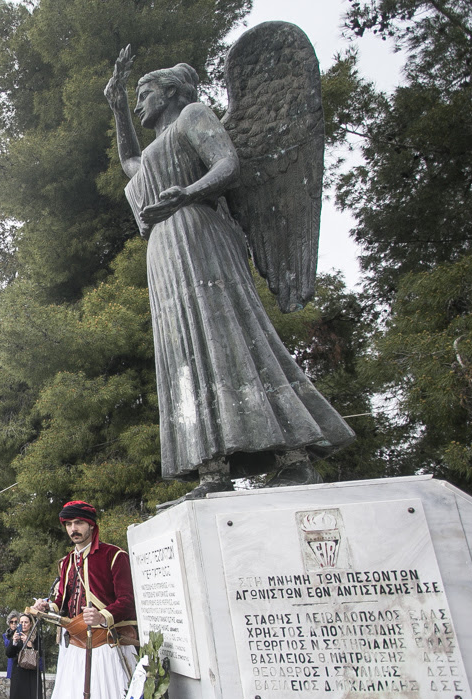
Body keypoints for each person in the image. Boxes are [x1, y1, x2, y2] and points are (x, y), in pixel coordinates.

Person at [104, 51, 353, 498]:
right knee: (188, 353)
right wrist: (118, 108)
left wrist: (187, 194)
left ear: (171, 92)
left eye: (143, 95)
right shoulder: (155, 148)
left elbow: (228, 164)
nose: (140, 103)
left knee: (229, 338)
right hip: (165, 253)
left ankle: (294, 455)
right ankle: (213, 470)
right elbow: (131, 166)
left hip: (200, 238)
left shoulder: (193, 117)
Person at [34, 500, 137, 699]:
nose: (73, 529)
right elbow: (63, 602)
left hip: (107, 645)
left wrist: (103, 615)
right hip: (78, 645)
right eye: (68, 525)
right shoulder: (66, 563)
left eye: (78, 523)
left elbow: (127, 599)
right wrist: (47, 606)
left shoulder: (115, 556)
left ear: (92, 525)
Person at [6, 613, 43, 699]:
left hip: (32, 674)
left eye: (26, 622)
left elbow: (41, 653)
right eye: (21, 622)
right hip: (19, 673)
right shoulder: (15, 635)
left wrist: (29, 643)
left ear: (30, 624)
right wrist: (14, 642)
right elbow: (9, 654)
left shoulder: (36, 637)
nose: (23, 624)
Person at [3, 611, 20, 680]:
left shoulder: (21, 633)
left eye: (16, 622)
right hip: (11, 662)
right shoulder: (6, 635)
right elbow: (7, 645)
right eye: (11, 622)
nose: (13, 624)